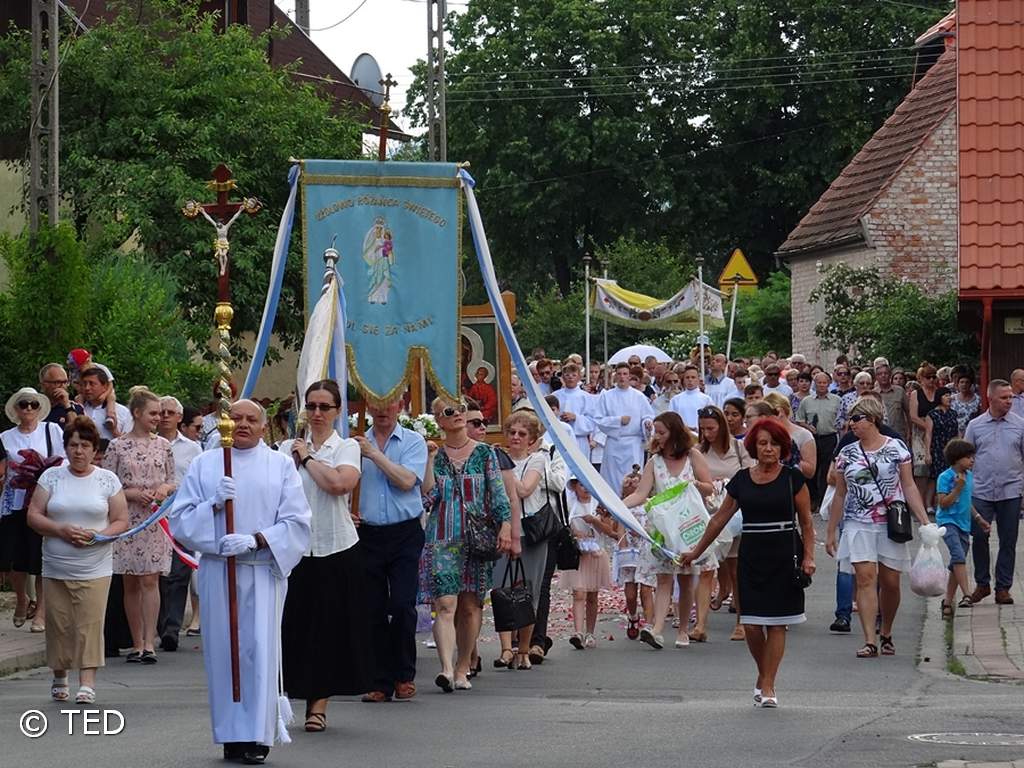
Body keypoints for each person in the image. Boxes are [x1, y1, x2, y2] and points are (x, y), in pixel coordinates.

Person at [170, 399, 310, 763]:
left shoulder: (280, 465)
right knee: (223, 651)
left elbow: (297, 522)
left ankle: (259, 734)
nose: (243, 424)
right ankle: (232, 734)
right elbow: (181, 521)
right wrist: (213, 506)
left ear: (264, 427)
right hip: (220, 569)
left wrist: (257, 539)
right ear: (224, 423)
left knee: (257, 650)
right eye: (237, 418)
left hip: (261, 569)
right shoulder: (205, 464)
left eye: (252, 419)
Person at [682, 418, 814, 708]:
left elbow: (806, 522)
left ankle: (768, 684)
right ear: (754, 446)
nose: (768, 449)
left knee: (777, 624)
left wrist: (809, 557)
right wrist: (695, 551)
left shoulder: (793, 478)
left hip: (784, 552)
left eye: (775, 443)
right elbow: (719, 519)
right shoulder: (741, 479)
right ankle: (763, 674)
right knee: (752, 624)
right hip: (752, 554)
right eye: (763, 443)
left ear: (783, 448)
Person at [279, 380, 369, 730]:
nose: (316, 413)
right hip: (294, 549)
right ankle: (286, 700)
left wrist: (308, 457)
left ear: (337, 411)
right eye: (311, 406)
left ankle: (319, 705)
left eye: (324, 407)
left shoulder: (344, 446)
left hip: (335, 546)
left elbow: (338, 484)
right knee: (293, 626)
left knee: (328, 629)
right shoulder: (286, 447)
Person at [26, 418, 128, 704]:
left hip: (95, 566)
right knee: (59, 623)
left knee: (89, 623)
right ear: (66, 447)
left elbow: (121, 520)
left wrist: (100, 535)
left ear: (95, 449)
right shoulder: (52, 478)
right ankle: (60, 675)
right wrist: (60, 529)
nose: (78, 451)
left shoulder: (107, 480)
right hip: (57, 565)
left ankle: (87, 682)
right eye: (73, 445)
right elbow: (34, 515)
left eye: (85, 445)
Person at [826, 397, 931, 658]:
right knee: (865, 579)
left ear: (871, 419)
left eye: (856, 419)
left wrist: (925, 521)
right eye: (850, 419)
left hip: (890, 522)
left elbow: (908, 486)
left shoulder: (896, 448)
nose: (851, 424)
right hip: (857, 521)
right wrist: (830, 532)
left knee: (891, 582)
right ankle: (870, 640)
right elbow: (840, 494)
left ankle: (886, 630)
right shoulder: (846, 453)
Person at [421, 398, 512, 692]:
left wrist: (506, 527)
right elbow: (427, 499)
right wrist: (429, 461)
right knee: (446, 603)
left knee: (471, 606)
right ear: (439, 420)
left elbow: (498, 494)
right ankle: (446, 669)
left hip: (478, 538)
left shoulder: (485, 453)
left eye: (461, 409)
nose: (458, 414)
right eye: (450, 411)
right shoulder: (436, 455)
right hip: (443, 538)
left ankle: (463, 667)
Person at [353, 396, 430, 702]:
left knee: (400, 604)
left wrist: (373, 454)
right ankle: (379, 679)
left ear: (400, 405)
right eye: (376, 403)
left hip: (404, 532)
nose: (382, 410)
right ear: (368, 407)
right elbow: (346, 485)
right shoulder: (354, 443)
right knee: (372, 607)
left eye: (389, 404)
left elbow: (407, 481)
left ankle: (403, 674)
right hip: (367, 532)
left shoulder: (412, 442)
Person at [622, 412, 714, 650]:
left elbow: (709, 487)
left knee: (685, 579)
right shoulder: (654, 462)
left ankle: (683, 629)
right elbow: (642, 494)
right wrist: (619, 506)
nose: (658, 437)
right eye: (656, 432)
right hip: (664, 530)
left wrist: (692, 485)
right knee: (663, 579)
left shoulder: (693, 456)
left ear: (675, 432)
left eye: (662, 432)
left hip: (687, 528)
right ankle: (657, 629)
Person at [102, 390, 175, 663]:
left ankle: (149, 642)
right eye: (154, 413)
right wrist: (132, 494)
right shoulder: (117, 446)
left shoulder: (164, 446)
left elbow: (171, 480)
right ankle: (135, 642)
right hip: (127, 518)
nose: (159, 418)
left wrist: (163, 490)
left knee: (150, 578)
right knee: (130, 580)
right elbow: (108, 484)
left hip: (155, 518)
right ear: (137, 413)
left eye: (161, 413)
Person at [493, 410, 563, 670]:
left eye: (522, 434)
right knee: (501, 589)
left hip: (531, 531)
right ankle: (505, 648)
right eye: (512, 432)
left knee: (530, 590)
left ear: (532, 439)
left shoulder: (536, 461)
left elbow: (524, 490)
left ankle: (524, 648)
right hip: (503, 529)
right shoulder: (496, 459)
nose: (515, 437)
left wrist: (506, 474)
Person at [1, 387, 67, 633]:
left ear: (40, 408)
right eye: (23, 404)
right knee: (12, 558)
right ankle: (21, 599)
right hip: (14, 503)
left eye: (33, 404)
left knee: (40, 557)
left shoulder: (52, 431)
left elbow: (64, 461)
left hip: (43, 501)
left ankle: (40, 611)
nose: (28, 408)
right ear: (16, 409)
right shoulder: (5, 437)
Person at [964, 379, 1024, 605]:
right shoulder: (975, 426)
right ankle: (982, 583)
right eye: (1004, 397)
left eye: (1011, 397)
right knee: (979, 536)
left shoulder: (1020, 424)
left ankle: (1003, 587)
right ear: (991, 398)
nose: (1010, 401)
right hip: (981, 489)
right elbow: (965, 457)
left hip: (1011, 489)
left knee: (1009, 539)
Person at [697, 405, 753, 642]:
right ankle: (700, 625)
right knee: (707, 568)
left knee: (736, 569)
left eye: (711, 428)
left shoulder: (739, 449)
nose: (707, 433)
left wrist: (727, 483)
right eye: (703, 429)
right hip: (709, 514)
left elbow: (750, 476)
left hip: (735, 514)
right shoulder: (699, 451)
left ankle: (741, 621)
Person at [156, 396, 202, 652]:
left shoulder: (193, 449)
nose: (164, 416)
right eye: (161, 412)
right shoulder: (150, 444)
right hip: (152, 519)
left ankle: (171, 629)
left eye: (170, 412)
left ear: (178, 417)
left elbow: (199, 482)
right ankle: (160, 625)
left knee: (178, 575)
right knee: (157, 577)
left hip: (180, 518)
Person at [936, 439, 991, 618]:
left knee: (955, 564)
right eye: (968, 457)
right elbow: (943, 503)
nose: (972, 461)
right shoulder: (945, 477)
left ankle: (947, 601)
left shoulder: (969, 477)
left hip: (964, 524)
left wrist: (979, 518)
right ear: (957, 458)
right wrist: (957, 488)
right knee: (958, 556)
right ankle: (967, 594)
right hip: (948, 522)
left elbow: (968, 502)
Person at [565, 479, 616, 649]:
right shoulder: (569, 505)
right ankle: (578, 632)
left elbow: (610, 531)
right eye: (580, 485)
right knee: (578, 593)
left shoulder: (598, 504)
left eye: (587, 485)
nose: (585, 488)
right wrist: (575, 534)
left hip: (596, 553)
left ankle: (590, 632)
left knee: (592, 595)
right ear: (574, 488)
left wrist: (594, 521)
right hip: (578, 555)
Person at [593, 362, 655, 498]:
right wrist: (618, 420)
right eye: (619, 374)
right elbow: (598, 420)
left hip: (633, 444)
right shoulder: (606, 396)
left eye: (625, 374)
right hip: (614, 443)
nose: (622, 377)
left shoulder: (639, 397)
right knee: (612, 480)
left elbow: (647, 416)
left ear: (629, 376)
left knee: (633, 478)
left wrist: (647, 423)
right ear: (615, 376)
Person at [797, 372, 841, 509]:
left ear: (829, 383)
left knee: (827, 469)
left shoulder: (837, 400)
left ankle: (823, 498)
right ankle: (813, 498)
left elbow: (841, 419)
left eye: (824, 382)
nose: (822, 385)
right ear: (815, 384)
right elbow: (799, 419)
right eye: (819, 383)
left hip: (830, 438)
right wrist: (807, 426)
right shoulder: (806, 401)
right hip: (812, 439)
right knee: (812, 470)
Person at [908, 363, 941, 508]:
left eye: (934, 377)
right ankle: (919, 503)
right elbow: (913, 416)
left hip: (938, 434)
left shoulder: (939, 393)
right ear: (921, 378)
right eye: (928, 377)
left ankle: (929, 502)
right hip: (920, 434)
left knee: (935, 469)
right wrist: (928, 426)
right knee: (921, 470)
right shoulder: (916, 394)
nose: (932, 380)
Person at [554, 362, 596, 459]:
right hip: (561, 439)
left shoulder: (586, 397)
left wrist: (576, 418)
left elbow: (592, 421)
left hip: (579, 441)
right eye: (567, 375)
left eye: (574, 375)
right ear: (563, 377)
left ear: (579, 378)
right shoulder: (555, 396)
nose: (570, 377)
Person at [78, 366, 132, 441]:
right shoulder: (77, 410)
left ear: (105, 386)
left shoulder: (123, 413)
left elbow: (130, 445)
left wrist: (114, 431)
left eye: (92, 384)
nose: (87, 388)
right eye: (84, 384)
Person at [925, 388, 958, 480]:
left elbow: (957, 431)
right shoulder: (932, 414)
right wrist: (928, 453)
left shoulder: (953, 413)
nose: (949, 398)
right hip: (937, 449)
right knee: (938, 478)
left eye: (949, 395)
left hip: (951, 449)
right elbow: (928, 434)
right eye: (946, 396)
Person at [669, 365, 712, 431]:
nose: (690, 380)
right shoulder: (675, 400)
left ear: (698, 380)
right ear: (683, 380)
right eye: (687, 377)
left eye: (693, 377)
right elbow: (672, 420)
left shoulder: (706, 399)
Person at [39, 363, 83, 428]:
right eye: (57, 382)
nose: (62, 386)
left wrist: (67, 406)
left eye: (65, 382)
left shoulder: (75, 408)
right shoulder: (34, 407)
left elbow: (78, 432)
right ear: (43, 385)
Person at [875, 364, 909, 443]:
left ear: (890, 375)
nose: (883, 376)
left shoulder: (900, 391)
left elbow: (908, 413)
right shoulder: (874, 394)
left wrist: (909, 432)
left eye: (886, 373)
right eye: (880, 374)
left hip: (899, 435)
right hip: (880, 435)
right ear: (876, 377)